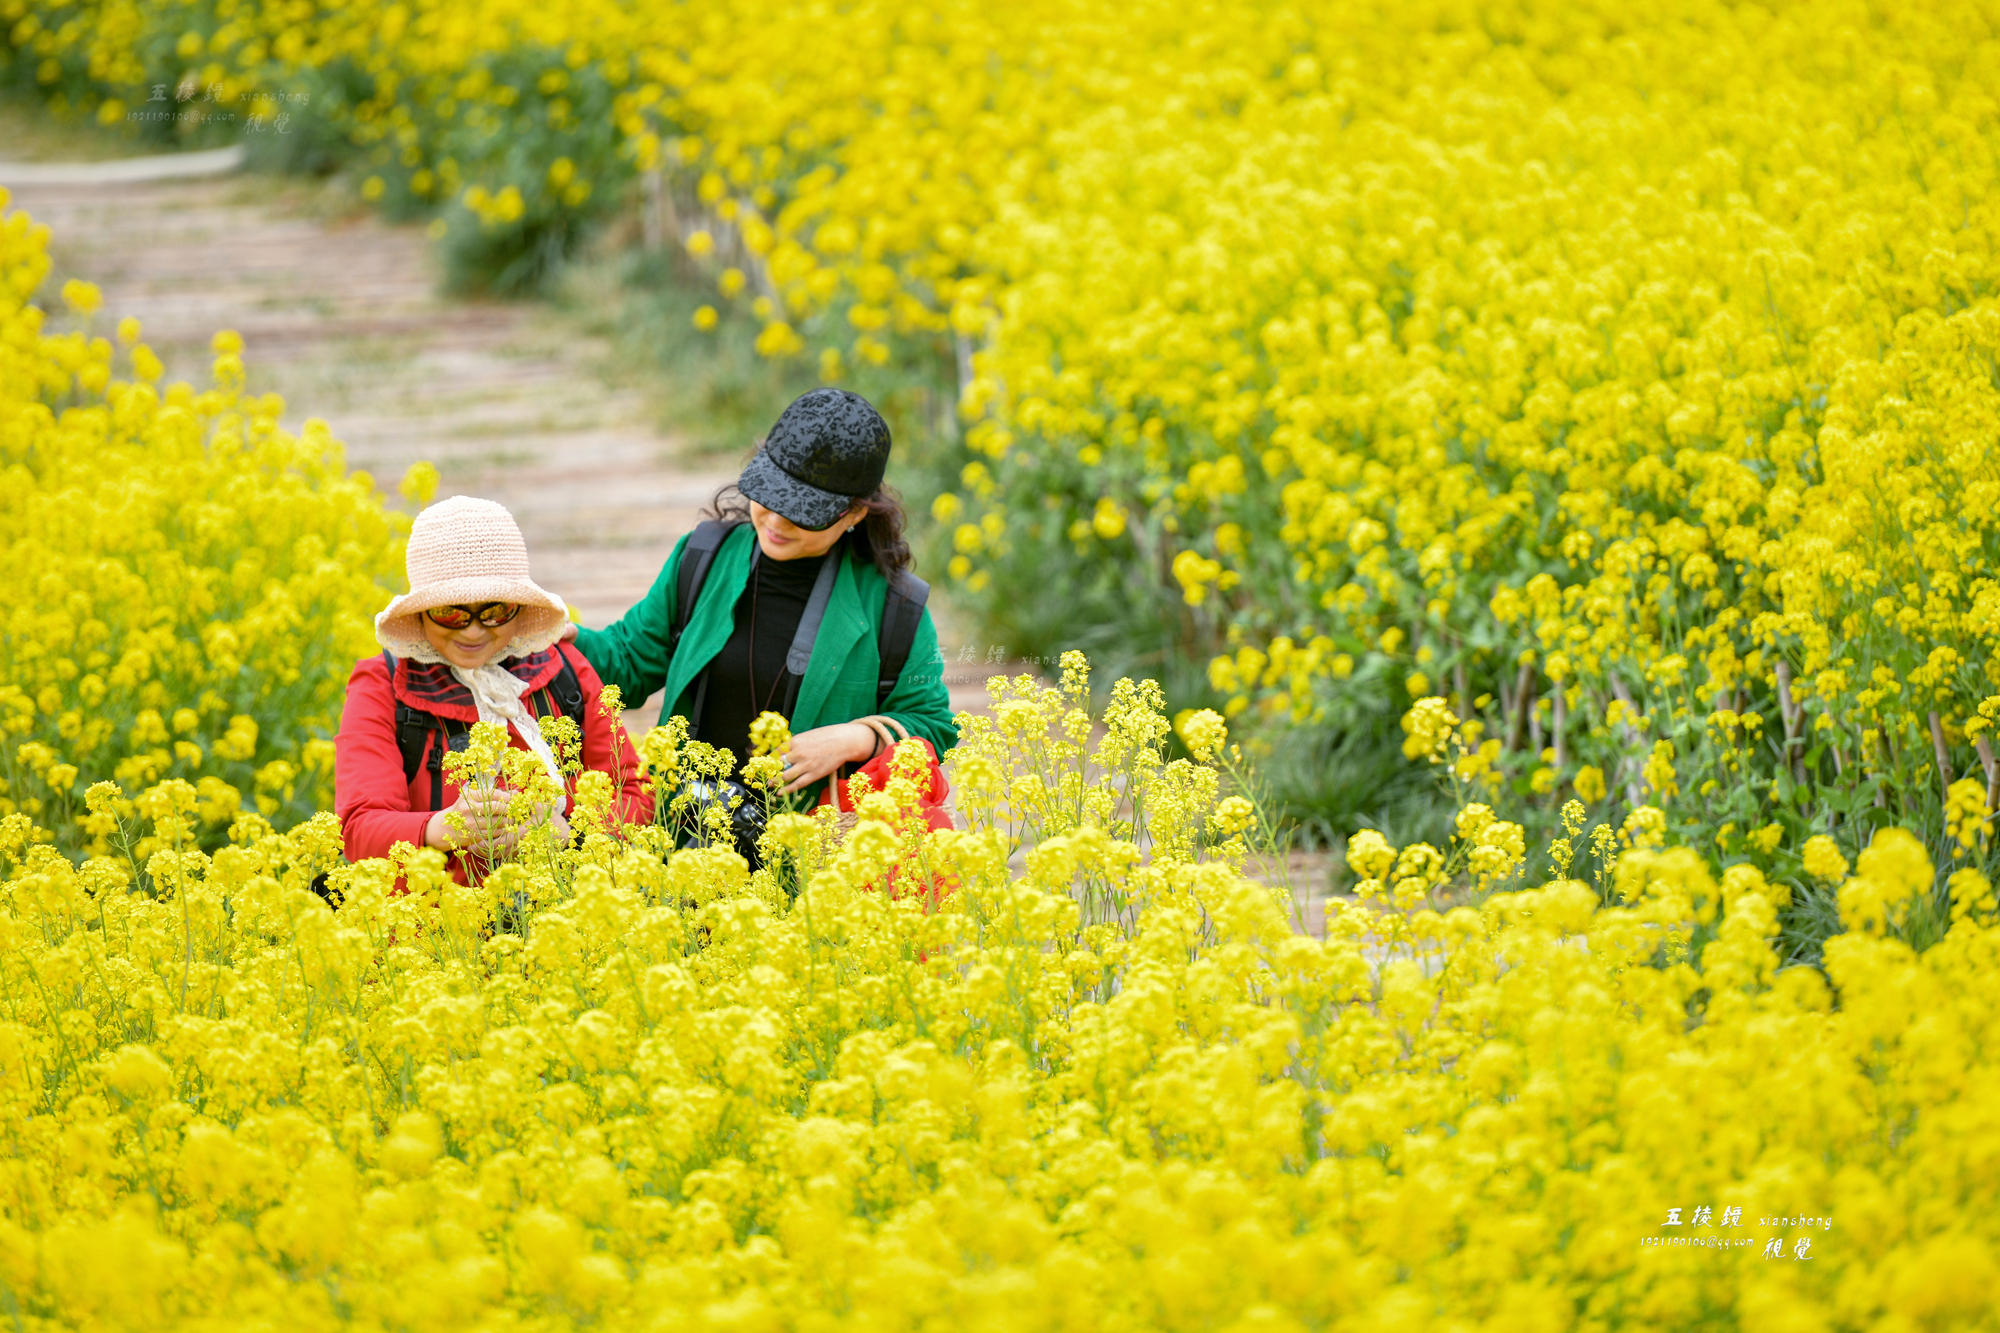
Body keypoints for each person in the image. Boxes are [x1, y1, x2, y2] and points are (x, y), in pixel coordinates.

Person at [565, 387, 955, 809]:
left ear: (856, 513)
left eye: (803, 512)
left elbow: (932, 725)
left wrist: (855, 739)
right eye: (768, 496)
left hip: (815, 856)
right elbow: (627, 660)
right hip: (686, 835)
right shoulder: (703, 559)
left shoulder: (895, 608)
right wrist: (552, 632)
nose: (775, 520)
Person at [336, 495, 652, 875]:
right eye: (448, 611)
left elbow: (635, 795)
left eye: (495, 611)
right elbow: (358, 829)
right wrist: (442, 827)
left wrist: (569, 831)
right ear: (420, 614)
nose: (473, 630)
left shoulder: (566, 667)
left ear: (518, 609)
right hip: (439, 927)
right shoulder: (383, 684)